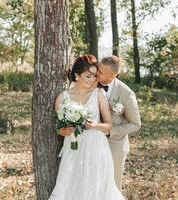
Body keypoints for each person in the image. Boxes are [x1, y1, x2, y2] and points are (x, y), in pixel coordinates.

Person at [49, 54, 125, 200]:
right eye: (88, 76)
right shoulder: (62, 97)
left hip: (96, 147)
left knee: (95, 188)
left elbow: (109, 125)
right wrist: (67, 130)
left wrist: (95, 125)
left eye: (94, 76)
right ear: (77, 76)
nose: (92, 80)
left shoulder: (98, 94)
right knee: (71, 186)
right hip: (73, 148)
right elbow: (59, 129)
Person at [96, 55, 141, 191]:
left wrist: (111, 131)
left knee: (113, 186)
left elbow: (135, 124)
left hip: (115, 145)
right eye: (98, 69)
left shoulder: (126, 94)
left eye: (101, 72)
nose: (96, 73)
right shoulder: (90, 82)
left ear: (112, 75)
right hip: (92, 143)